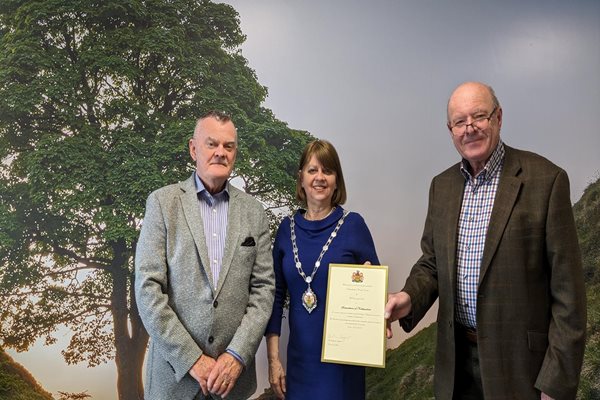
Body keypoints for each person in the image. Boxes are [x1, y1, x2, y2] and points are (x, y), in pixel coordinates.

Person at [385, 82, 587, 400]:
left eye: (479, 116)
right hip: (456, 367)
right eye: (460, 122)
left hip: (523, 370)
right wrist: (407, 298)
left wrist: (556, 384)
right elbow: (432, 263)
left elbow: (569, 297)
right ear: (450, 129)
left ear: (498, 117)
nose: (470, 129)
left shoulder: (546, 181)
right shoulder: (442, 187)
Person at [135, 111, 275, 400]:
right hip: (173, 384)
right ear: (193, 148)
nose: (220, 153)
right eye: (212, 144)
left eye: (228, 146)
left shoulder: (254, 212)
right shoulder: (162, 203)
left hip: (232, 385)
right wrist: (192, 360)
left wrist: (236, 356)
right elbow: (148, 289)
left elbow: (263, 291)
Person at [265, 139, 380, 400]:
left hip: (342, 369)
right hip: (299, 366)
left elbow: (374, 293)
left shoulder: (354, 225)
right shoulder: (286, 230)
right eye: (312, 170)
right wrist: (273, 360)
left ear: (337, 180)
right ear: (301, 178)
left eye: (327, 171)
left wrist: (371, 296)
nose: (320, 178)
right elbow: (274, 299)